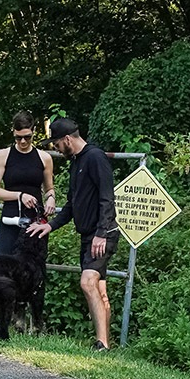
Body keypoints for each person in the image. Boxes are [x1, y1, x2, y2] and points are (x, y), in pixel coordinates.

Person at [26, 118, 119, 351]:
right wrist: (50, 226)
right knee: (99, 288)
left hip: (102, 233)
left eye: (56, 144)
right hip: (89, 233)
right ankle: (106, 342)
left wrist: (101, 233)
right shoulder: (77, 162)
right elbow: (71, 205)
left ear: (67, 139)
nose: (56, 149)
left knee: (88, 282)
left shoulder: (95, 158)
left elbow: (107, 198)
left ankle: (102, 344)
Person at [0, 110, 55, 254]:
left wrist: (51, 199)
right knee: (6, 265)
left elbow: (49, 188)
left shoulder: (45, 158)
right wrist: (20, 195)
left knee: (33, 266)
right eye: (18, 138)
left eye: (27, 137)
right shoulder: (3, 155)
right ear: (13, 133)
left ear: (34, 131)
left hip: (36, 219)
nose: (23, 141)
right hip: (11, 217)